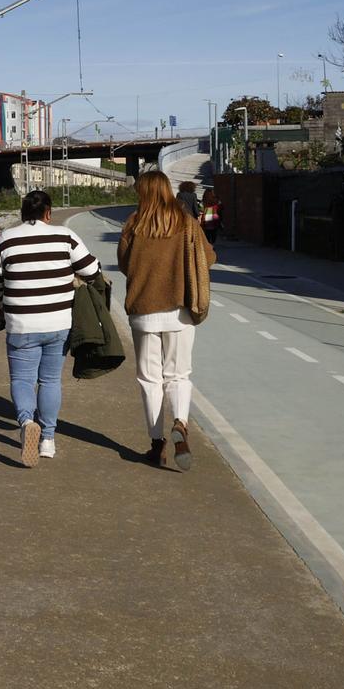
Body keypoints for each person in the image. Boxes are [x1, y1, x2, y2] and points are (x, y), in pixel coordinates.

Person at [0, 189, 101, 465]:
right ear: (48, 213)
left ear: (22, 214)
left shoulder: (6, 239)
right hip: (58, 323)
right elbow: (93, 270)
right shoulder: (65, 236)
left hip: (21, 324)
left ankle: (27, 423)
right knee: (50, 381)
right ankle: (48, 439)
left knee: (22, 380)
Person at [117, 170, 215, 471]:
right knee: (179, 375)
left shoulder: (134, 223)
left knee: (149, 379)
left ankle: (156, 444)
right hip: (180, 311)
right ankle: (181, 424)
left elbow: (123, 264)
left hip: (144, 312)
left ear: (144, 192)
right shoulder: (186, 222)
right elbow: (208, 258)